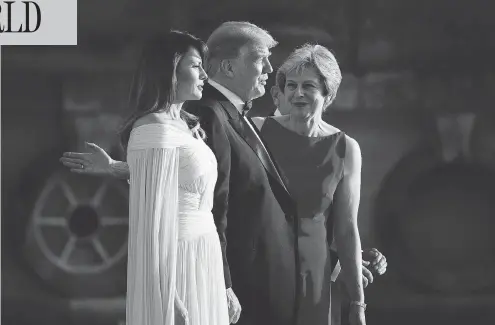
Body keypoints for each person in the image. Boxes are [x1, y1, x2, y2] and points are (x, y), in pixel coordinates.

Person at [120, 30, 229, 325]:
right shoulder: (153, 128)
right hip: (177, 261)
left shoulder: (183, 126)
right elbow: (149, 222)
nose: (205, 74)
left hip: (203, 255)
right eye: (196, 66)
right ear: (170, 69)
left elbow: (171, 181)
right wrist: (169, 298)